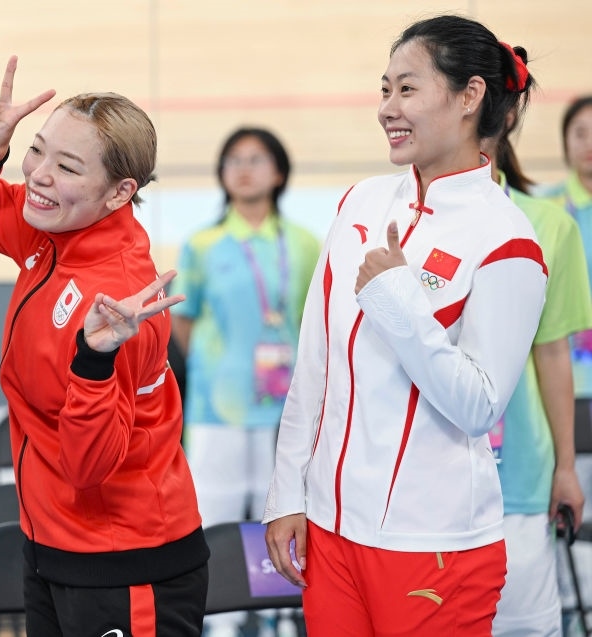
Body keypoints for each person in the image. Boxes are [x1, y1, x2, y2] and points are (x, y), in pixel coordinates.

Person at [262, 15, 548, 636]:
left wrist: (398, 301)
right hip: (330, 531)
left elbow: (478, 406)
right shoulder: (359, 202)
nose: (388, 108)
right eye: (385, 89)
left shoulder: (507, 242)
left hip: (432, 545)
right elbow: (314, 362)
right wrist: (288, 493)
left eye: (408, 89)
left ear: (470, 96)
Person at [0, 56, 210, 637]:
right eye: (37, 150)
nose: (38, 175)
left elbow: (89, 467)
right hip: (51, 545)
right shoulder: (49, 229)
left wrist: (94, 361)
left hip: (126, 563)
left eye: (68, 166)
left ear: (119, 192)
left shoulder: (122, 302)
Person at [170, 126, 320, 637]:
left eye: (256, 159)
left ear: (279, 172)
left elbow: (312, 323)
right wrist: (224, 371)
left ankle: (281, 618)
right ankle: (221, 621)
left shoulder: (304, 244)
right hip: (218, 409)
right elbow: (184, 324)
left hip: (288, 409)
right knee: (214, 512)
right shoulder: (202, 244)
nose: (244, 169)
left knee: (282, 512)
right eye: (234, 160)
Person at [482, 104, 592, 636]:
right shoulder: (396, 220)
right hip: (423, 486)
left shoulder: (546, 223)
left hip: (520, 471)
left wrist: (564, 465)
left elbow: (552, 353)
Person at [544, 95, 592, 399]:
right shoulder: (546, 208)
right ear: (565, 143)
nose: (589, 143)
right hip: (567, 377)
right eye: (580, 133)